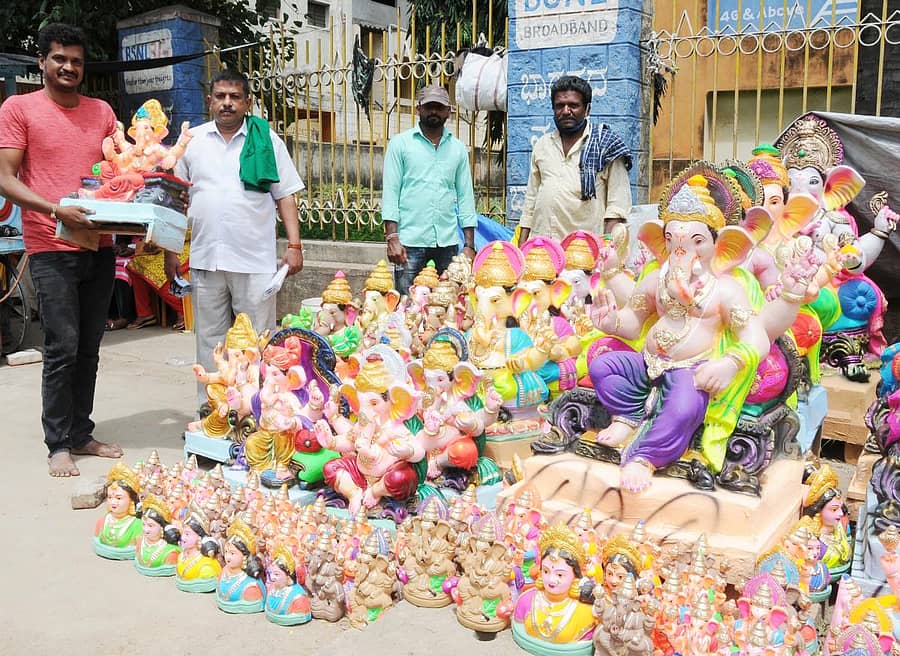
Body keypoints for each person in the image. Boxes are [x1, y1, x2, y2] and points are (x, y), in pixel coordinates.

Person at [0, 23, 124, 477]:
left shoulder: (102, 111)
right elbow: (5, 180)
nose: (69, 67)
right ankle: (58, 443)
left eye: (76, 60)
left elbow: (121, 171)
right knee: (62, 347)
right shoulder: (19, 108)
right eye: (60, 59)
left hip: (101, 243)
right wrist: (57, 210)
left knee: (89, 347)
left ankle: (81, 433)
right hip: (50, 244)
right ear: (42, 63)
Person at [172, 69, 304, 401]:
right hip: (206, 257)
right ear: (209, 101)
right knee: (209, 342)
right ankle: (210, 412)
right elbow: (175, 197)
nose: (227, 103)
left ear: (247, 102)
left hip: (254, 260)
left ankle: (259, 411)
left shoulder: (265, 138)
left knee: (258, 342)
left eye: (234, 97)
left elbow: (285, 194)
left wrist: (295, 245)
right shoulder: (192, 142)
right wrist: (171, 249)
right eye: (220, 97)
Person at [381, 84, 477, 297]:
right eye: (429, 107)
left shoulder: (458, 149)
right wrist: (392, 238)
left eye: (439, 107)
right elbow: (391, 194)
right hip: (409, 244)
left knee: (447, 306)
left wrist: (469, 245)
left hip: (447, 244)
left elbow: (466, 197)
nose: (434, 111)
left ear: (448, 112)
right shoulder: (400, 145)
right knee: (406, 306)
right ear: (419, 109)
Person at [518, 75, 633, 242]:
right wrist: (523, 247)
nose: (566, 111)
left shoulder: (606, 146)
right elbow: (531, 201)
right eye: (559, 106)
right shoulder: (542, 145)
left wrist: (605, 250)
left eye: (573, 105)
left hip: (585, 252)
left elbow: (617, 206)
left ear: (587, 109)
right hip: (542, 250)